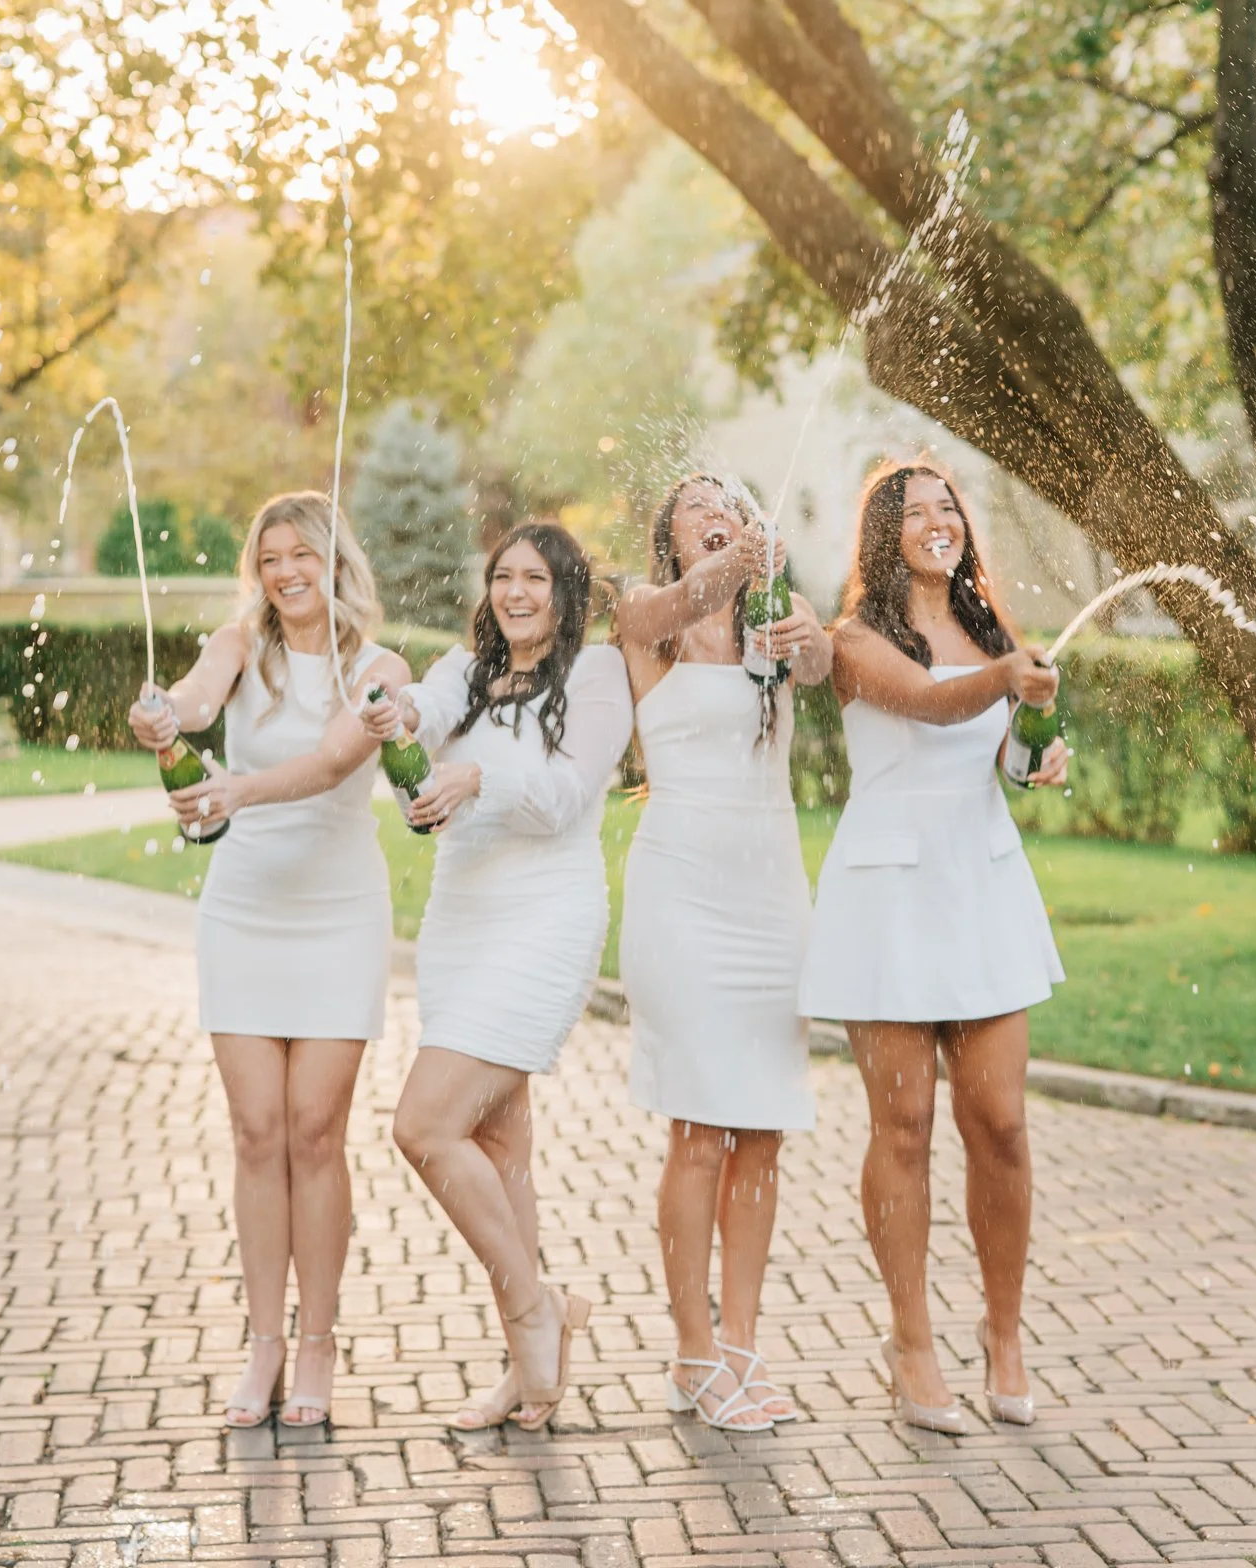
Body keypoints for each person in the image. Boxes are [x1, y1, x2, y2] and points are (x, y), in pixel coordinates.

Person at [128, 491, 408, 1430]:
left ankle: (320, 1343)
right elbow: (198, 701)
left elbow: (332, 765)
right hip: (244, 909)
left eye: (303, 555)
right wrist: (164, 719)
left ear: (335, 562)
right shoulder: (239, 642)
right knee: (256, 1133)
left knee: (315, 1131)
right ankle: (263, 1346)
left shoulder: (378, 667)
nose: (287, 571)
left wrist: (234, 789)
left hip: (338, 915)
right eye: (272, 556)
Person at [799, 459, 1067, 1434]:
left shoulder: (992, 628)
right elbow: (922, 700)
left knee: (999, 1120)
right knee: (902, 1129)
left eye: (946, 503)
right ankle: (911, 1343)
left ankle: (1005, 1333)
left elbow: (1000, 747)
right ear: (883, 533)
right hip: (890, 893)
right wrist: (1003, 680)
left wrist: (1035, 740)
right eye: (912, 510)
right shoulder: (854, 639)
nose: (935, 519)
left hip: (983, 882)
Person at [360, 522, 632, 1431]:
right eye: (503, 576)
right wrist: (398, 728)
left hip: (544, 919)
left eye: (537, 577)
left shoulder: (596, 676)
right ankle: (529, 1369)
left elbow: (560, 799)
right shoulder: (460, 669)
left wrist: (475, 777)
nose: (517, 592)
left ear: (566, 592)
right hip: (460, 924)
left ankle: (534, 1310)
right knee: (500, 1146)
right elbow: (420, 748)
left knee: (425, 1125)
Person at [614, 476, 832, 1432]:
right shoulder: (648, 615)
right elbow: (677, 601)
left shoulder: (773, 611)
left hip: (771, 891)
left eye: (729, 502)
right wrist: (725, 569)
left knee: (763, 1127)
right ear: (671, 534)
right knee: (698, 1128)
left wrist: (812, 643)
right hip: (682, 894)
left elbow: (821, 666)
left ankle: (743, 1345)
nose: (714, 511)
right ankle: (693, 1350)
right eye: (693, 504)